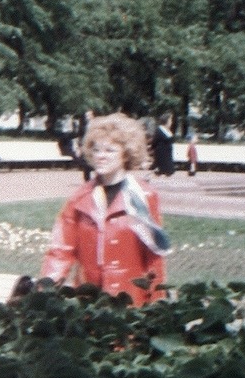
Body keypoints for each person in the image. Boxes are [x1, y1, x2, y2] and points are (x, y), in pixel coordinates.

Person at [41, 113, 171, 305]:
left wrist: (156, 304)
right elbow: (61, 252)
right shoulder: (78, 199)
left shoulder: (144, 197)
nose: (100, 156)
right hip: (88, 301)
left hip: (129, 302)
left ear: (126, 153)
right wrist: (44, 292)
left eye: (109, 150)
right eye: (96, 150)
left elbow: (153, 258)